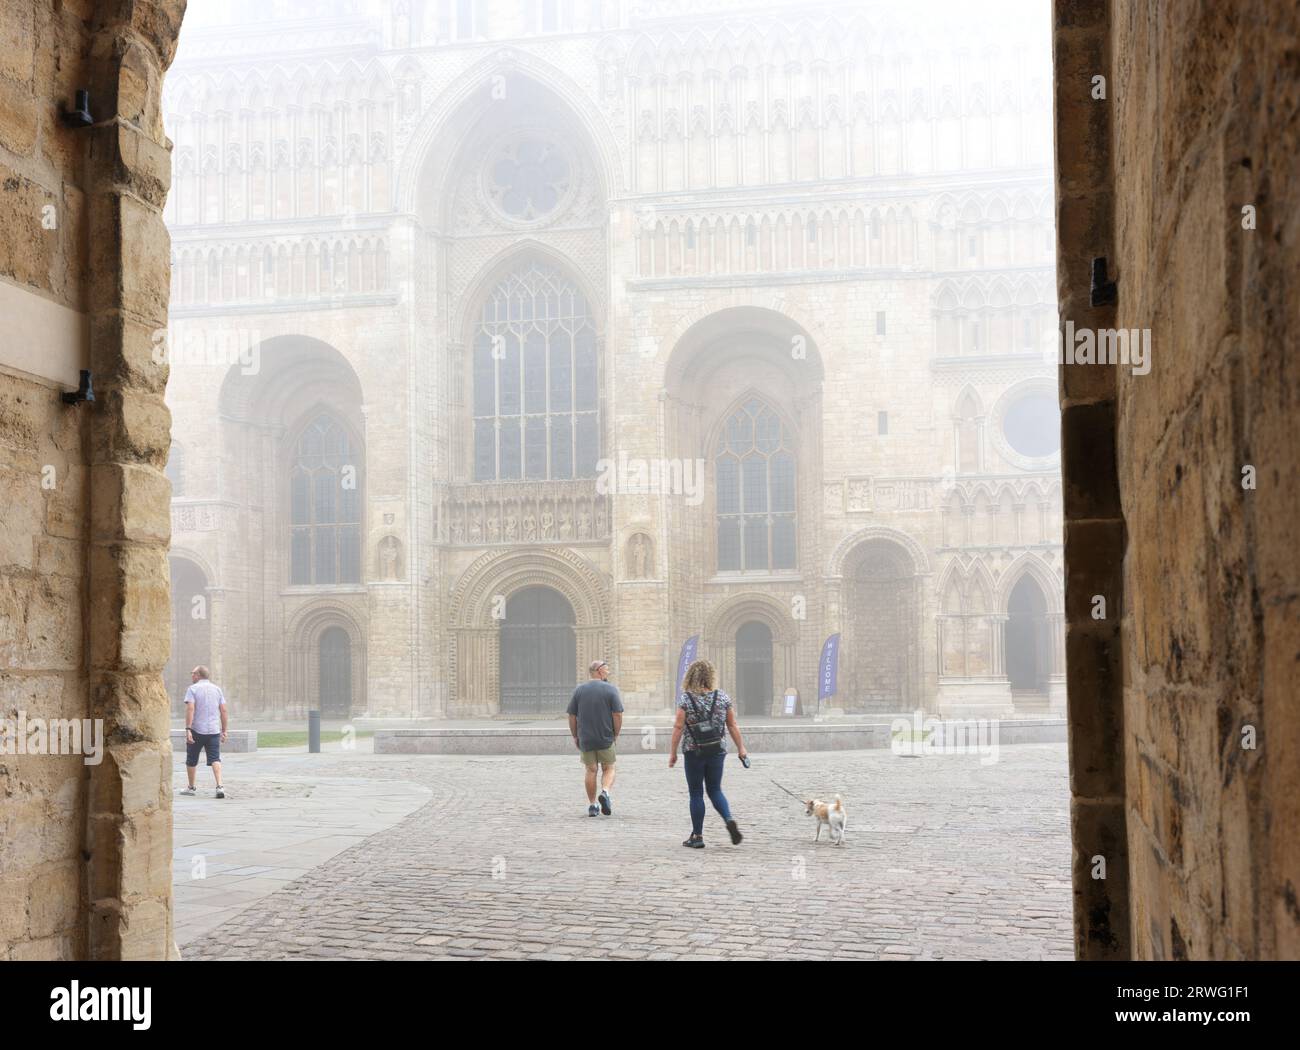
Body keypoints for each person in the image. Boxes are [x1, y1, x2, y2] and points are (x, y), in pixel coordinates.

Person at [669, 659, 747, 848]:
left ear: (690, 677)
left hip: (693, 750)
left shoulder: (686, 699)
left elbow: (678, 726)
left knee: (696, 793)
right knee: (715, 790)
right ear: (711, 677)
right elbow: (732, 725)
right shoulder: (722, 697)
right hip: (717, 750)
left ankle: (697, 836)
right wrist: (741, 749)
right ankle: (728, 819)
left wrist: (673, 753)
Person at [567, 659, 623, 817]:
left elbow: (572, 715)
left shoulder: (579, 690)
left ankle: (593, 805)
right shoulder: (611, 689)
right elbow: (617, 714)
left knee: (591, 770)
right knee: (609, 767)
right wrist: (616, 733)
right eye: (607, 670)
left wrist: (575, 735)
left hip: (586, 737)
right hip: (605, 736)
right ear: (599, 671)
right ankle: (605, 792)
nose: (608, 672)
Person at [180, 666, 228, 799]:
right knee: (215, 758)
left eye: (193, 673)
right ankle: (219, 786)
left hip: (197, 730)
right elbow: (223, 710)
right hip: (213, 730)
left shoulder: (193, 689)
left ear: (198, 675)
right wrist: (224, 730)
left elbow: (190, 709)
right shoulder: (217, 689)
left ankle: (191, 787)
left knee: (191, 758)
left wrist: (188, 729)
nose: (191, 675)